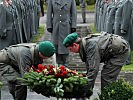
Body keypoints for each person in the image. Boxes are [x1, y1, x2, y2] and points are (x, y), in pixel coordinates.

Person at [63, 32, 130, 90]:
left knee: (107, 76)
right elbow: (90, 68)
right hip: (112, 50)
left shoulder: (91, 46)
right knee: (106, 75)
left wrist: (83, 90)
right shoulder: (84, 44)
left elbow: (93, 69)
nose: (71, 52)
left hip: (120, 51)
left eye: (70, 49)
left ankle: (107, 97)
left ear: (75, 45)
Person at [46, 0, 77, 67]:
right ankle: (58, 63)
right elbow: (49, 13)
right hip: (56, 26)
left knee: (66, 44)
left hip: (66, 26)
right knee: (56, 45)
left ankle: (66, 63)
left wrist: (73, 25)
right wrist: (49, 25)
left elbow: (73, 13)